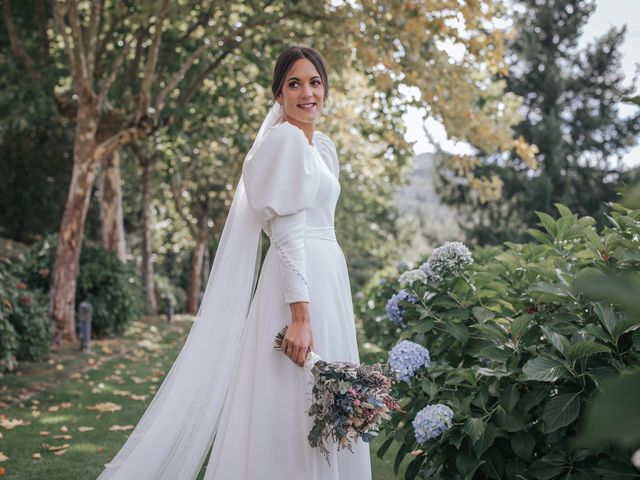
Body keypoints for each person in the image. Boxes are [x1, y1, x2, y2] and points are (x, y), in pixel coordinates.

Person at [97, 45, 372, 480]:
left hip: (328, 279)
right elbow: (284, 232)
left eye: (314, 82)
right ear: (278, 94)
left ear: (327, 89)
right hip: (298, 287)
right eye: (294, 84)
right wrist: (300, 315)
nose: (307, 93)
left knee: (322, 402)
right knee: (292, 403)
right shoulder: (283, 141)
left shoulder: (320, 146)